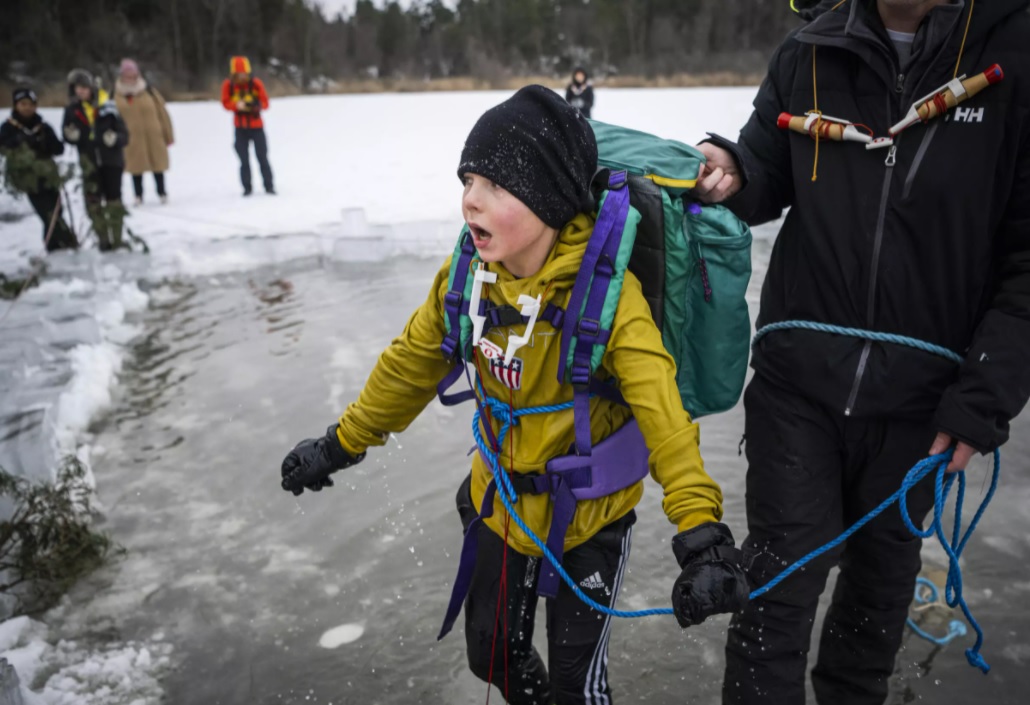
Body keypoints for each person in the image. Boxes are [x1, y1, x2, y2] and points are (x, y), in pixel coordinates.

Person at [279, 85, 748, 705]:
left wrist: (703, 535)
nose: (470, 200)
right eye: (467, 180)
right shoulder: (467, 279)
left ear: (549, 200)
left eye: (495, 187)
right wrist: (340, 444)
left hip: (591, 521)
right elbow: (408, 365)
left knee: (580, 692)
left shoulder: (609, 300)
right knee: (491, 657)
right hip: (498, 502)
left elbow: (665, 418)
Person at [692, 1, 1030, 703]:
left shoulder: (1017, 54)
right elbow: (764, 168)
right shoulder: (808, 50)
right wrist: (730, 168)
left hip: (924, 402)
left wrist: (983, 397)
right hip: (798, 386)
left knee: (876, 600)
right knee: (776, 590)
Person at [0, 87, 78, 252]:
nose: (27, 107)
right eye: (23, 104)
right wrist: (18, 143)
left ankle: (53, 246)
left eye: (30, 104)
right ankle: (69, 241)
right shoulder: (8, 127)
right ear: (16, 106)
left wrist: (47, 142)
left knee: (57, 209)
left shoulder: (43, 126)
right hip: (29, 179)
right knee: (48, 212)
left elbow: (58, 149)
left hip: (49, 175)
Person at [62, 68, 129, 251]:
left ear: (91, 87)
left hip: (112, 161)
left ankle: (116, 239)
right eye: (77, 88)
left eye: (84, 87)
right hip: (88, 162)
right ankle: (103, 239)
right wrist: (71, 136)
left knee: (114, 200)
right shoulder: (72, 110)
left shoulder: (108, 106)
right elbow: (66, 134)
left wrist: (115, 139)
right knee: (92, 201)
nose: (81, 91)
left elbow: (125, 135)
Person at [114, 58, 174, 206]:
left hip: (154, 135)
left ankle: (162, 192)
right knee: (136, 166)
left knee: (158, 164)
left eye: (132, 74)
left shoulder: (149, 92)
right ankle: (138, 195)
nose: (130, 77)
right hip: (131, 138)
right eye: (127, 75)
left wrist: (168, 134)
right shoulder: (116, 95)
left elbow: (163, 114)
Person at [220, 56, 274, 196]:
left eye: (244, 74)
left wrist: (256, 106)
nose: (242, 77)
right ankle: (247, 188)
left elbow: (266, 103)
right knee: (244, 159)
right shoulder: (228, 85)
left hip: (257, 127)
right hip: (240, 128)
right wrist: (236, 105)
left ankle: (269, 186)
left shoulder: (256, 84)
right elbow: (225, 103)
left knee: (262, 157)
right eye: (239, 74)